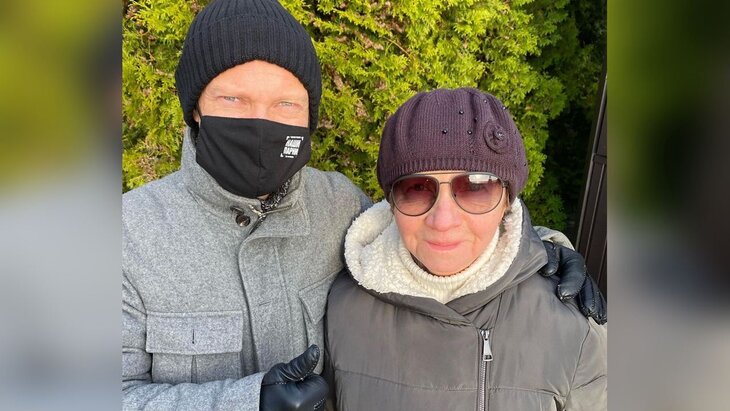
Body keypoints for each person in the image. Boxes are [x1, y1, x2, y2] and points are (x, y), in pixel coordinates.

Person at [122, 1, 605, 410]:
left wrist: (542, 251)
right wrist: (244, 403)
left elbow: (431, 227)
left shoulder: (338, 207)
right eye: (233, 99)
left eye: (286, 104)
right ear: (195, 109)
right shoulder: (124, 236)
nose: (261, 121)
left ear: (308, 116)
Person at [324, 88, 607, 410]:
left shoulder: (572, 324)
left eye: (475, 188)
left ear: (507, 201)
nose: (443, 220)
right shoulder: (343, 308)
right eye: (416, 189)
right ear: (390, 202)